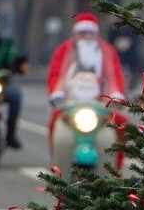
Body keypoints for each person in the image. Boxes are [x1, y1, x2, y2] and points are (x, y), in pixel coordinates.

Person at [45, 13, 127, 156]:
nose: (86, 36)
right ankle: (58, 166)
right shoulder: (64, 50)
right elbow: (55, 73)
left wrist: (116, 95)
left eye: (89, 33)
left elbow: (115, 74)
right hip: (69, 103)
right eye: (82, 33)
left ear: (95, 34)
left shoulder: (106, 51)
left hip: (99, 104)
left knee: (121, 126)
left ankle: (114, 170)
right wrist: (56, 93)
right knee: (54, 125)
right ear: (76, 34)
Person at [0, 14, 27, 149]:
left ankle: (10, 134)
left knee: (15, 95)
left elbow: (12, 57)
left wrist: (17, 63)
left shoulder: (4, 45)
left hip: (0, 84)